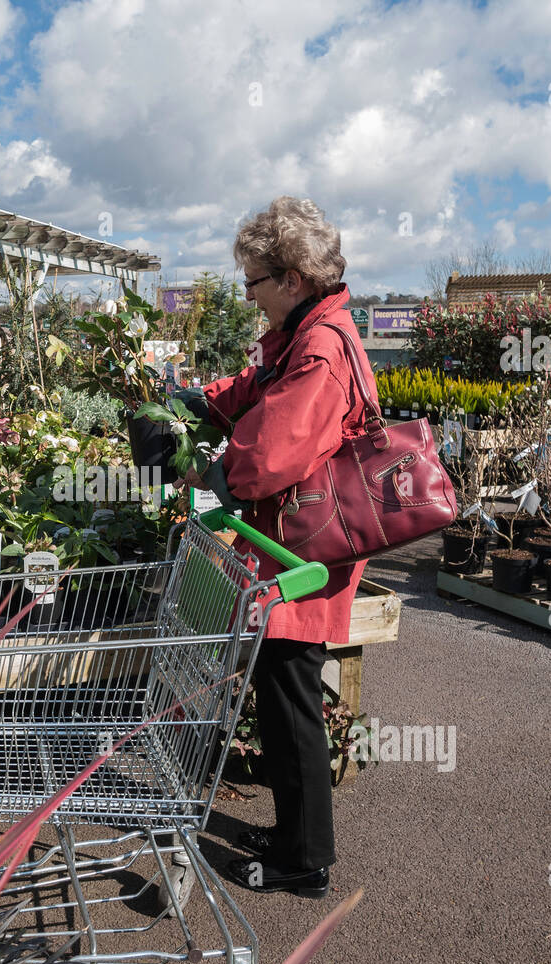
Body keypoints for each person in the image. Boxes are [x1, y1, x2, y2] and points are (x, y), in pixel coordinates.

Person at [175, 196, 377, 898]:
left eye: (253, 282)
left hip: (306, 558)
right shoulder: (306, 333)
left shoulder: (320, 347)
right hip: (293, 546)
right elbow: (258, 388)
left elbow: (275, 448)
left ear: (292, 278)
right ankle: (294, 833)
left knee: (292, 701)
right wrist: (200, 400)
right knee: (284, 688)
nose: (250, 294)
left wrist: (206, 469)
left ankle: (305, 860)